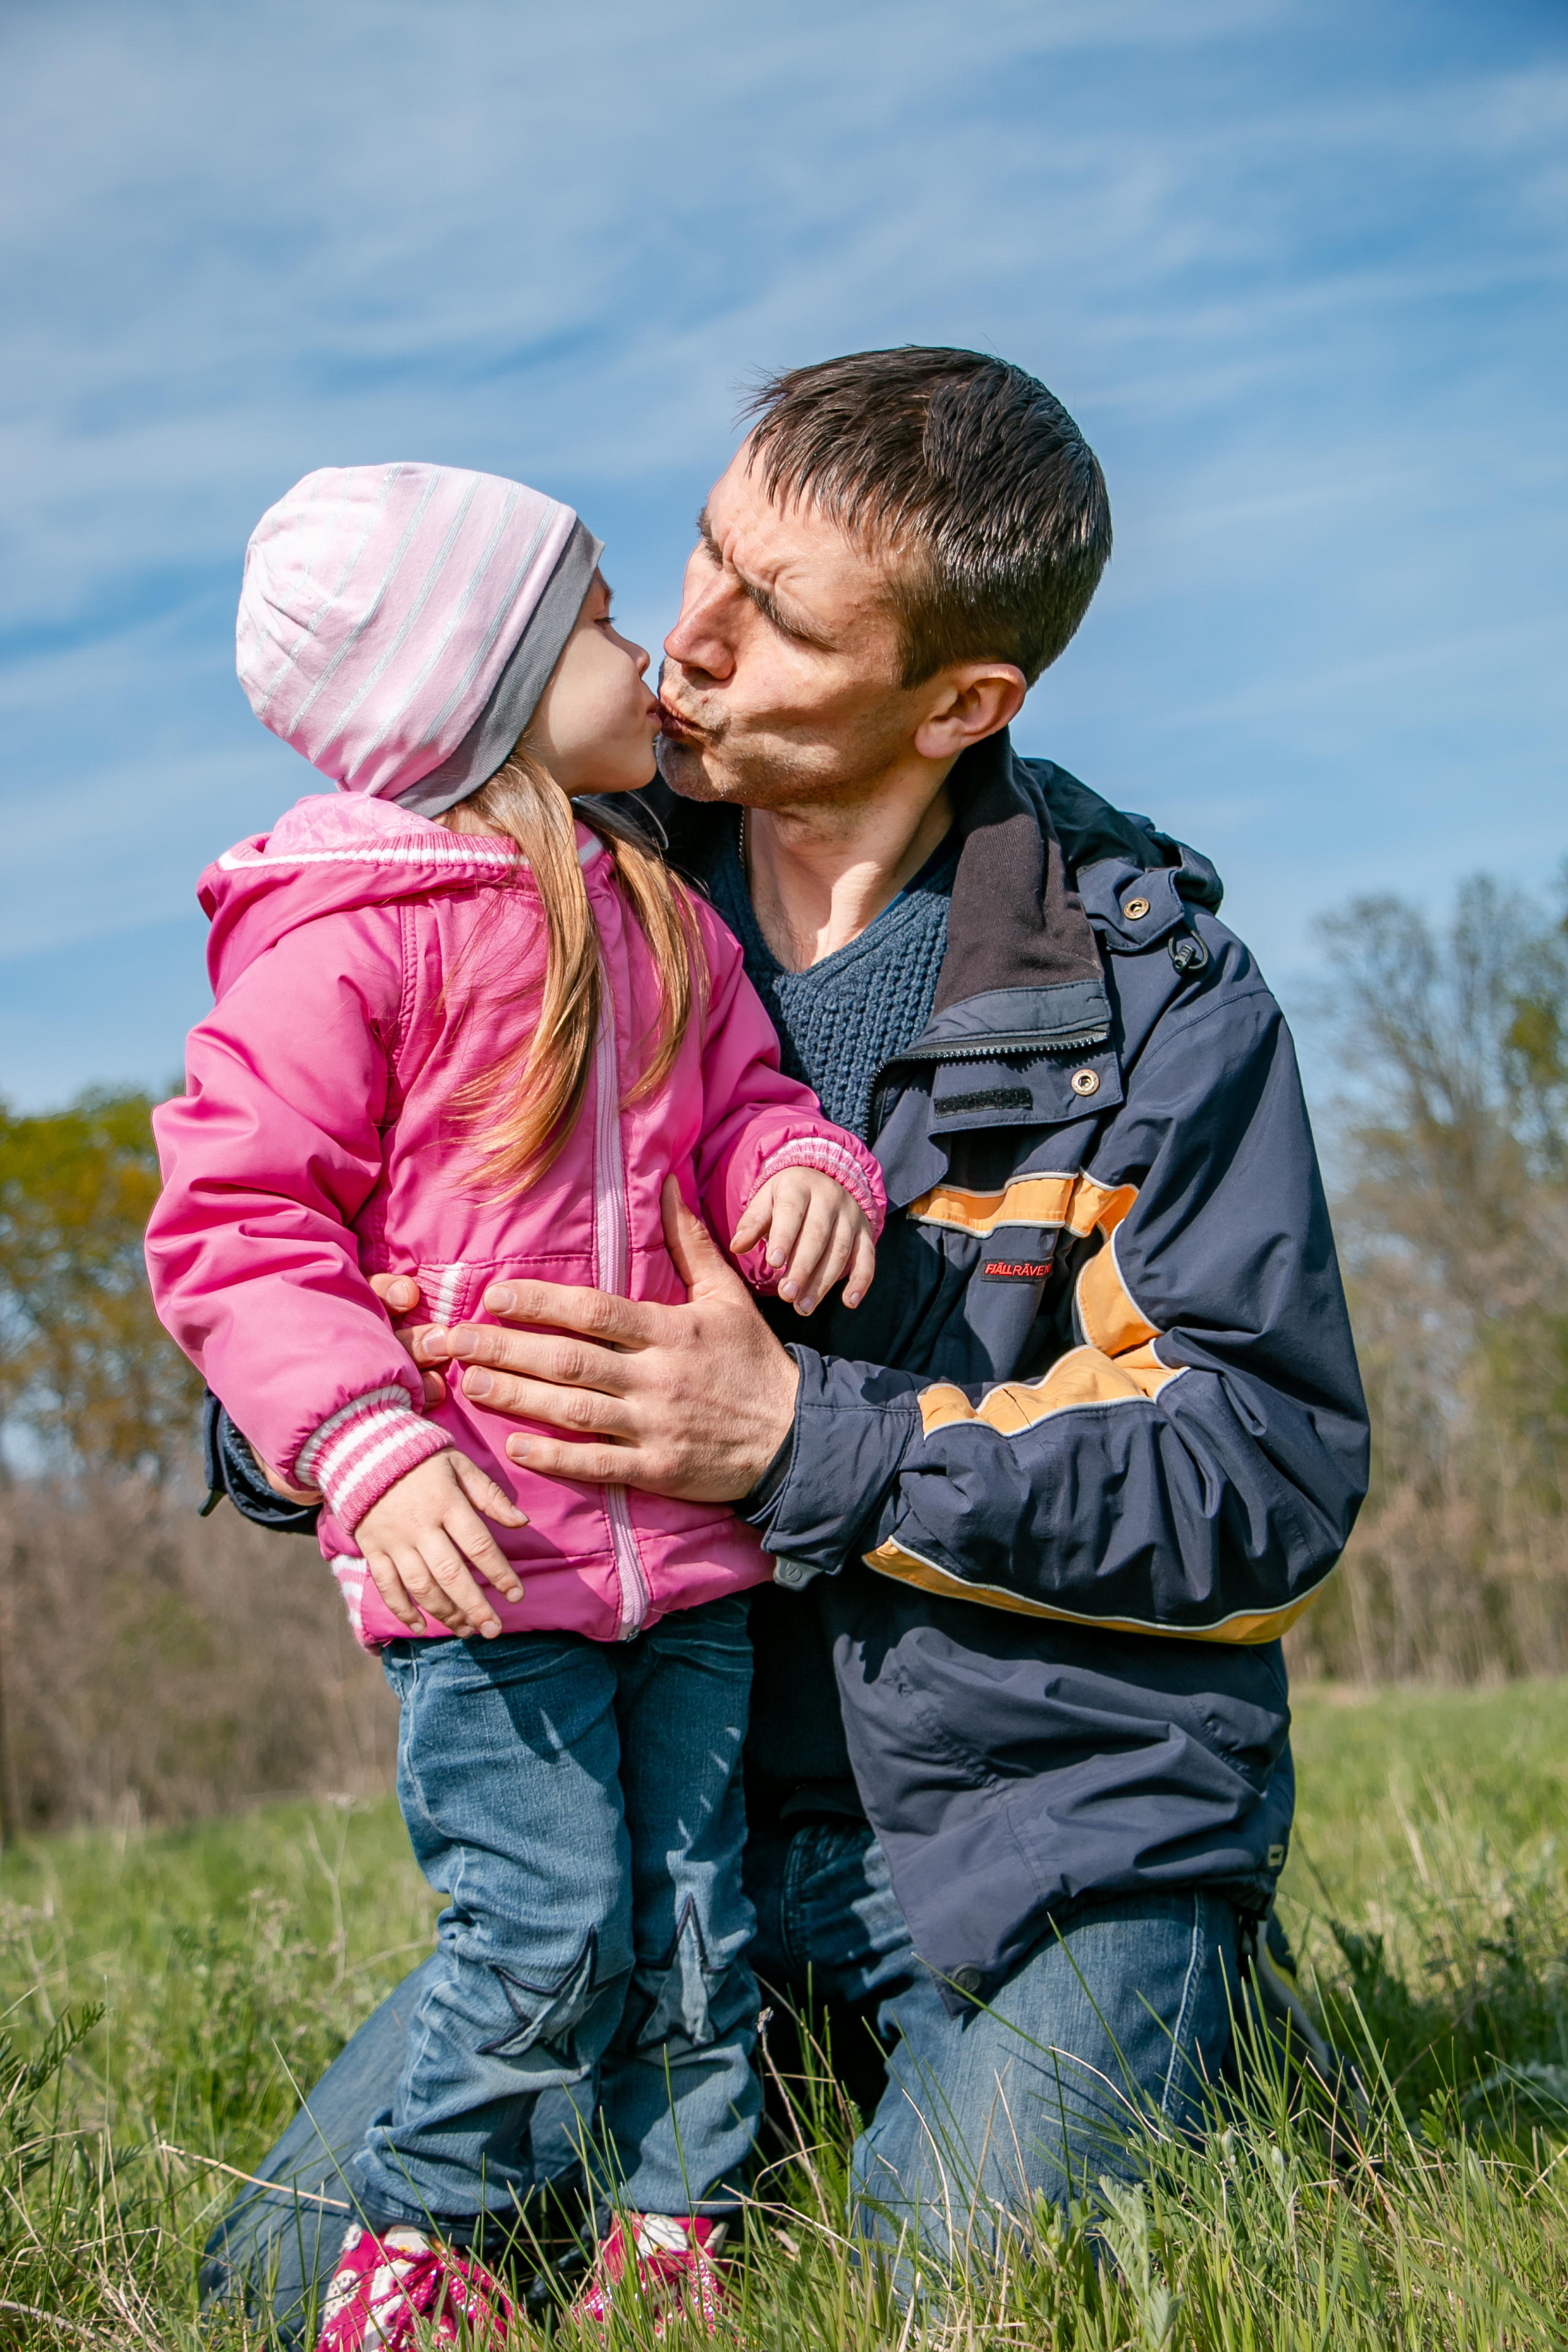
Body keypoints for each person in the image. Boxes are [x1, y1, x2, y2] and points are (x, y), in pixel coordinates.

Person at [198, 350, 1368, 2333]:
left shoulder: (1162, 1000)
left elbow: (1264, 1473)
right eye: (706, 556)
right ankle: (747, 2071)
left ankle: (1169, 2022)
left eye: (786, 619)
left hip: (1040, 1835)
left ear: (961, 703)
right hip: (674, 1825)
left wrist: (797, 1442)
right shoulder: (537, 878)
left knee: (951, 2297)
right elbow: (264, 1247)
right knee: (271, 2288)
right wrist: (356, 1413)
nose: (691, 647)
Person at [145, 461, 888, 2347]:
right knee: (545, 1929)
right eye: (604, 622)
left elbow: (746, 1105)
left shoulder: (656, 912)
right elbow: (236, 1225)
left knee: (699, 1933)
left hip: (695, 1568)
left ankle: (676, 2235)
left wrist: (809, 1169)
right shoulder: (349, 938)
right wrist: (364, 1442)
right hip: (488, 1561)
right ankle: (433, 2237)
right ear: (480, 683)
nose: (647, 657)